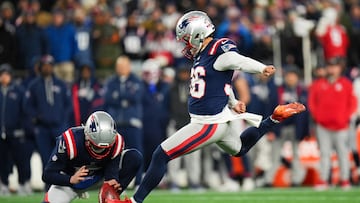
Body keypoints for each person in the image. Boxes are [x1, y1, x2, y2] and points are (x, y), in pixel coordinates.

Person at [116, 11, 305, 203]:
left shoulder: (218, 51)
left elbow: (235, 61)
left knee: (161, 154)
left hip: (207, 123)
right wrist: (232, 102)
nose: (186, 45)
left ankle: (134, 201)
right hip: (221, 118)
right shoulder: (203, 54)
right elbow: (221, 81)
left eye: (187, 40)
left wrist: (260, 68)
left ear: (197, 34)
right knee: (239, 148)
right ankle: (273, 119)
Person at [42, 111, 143, 203]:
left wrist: (112, 180)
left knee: (134, 157)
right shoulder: (70, 141)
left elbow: (112, 171)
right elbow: (47, 175)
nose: (100, 151)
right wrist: (70, 179)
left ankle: (109, 198)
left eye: (105, 148)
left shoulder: (117, 142)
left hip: (99, 177)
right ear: (87, 136)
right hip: (72, 181)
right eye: (96, 147)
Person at [308, 56, 357, 190]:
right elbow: (312, 103)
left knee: (342, 153)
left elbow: (353, 103)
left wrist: (345, 117)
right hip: (323, 126)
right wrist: (318, 117)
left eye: (335, 66)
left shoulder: (346, 83)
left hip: (341, 126)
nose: (332, 69)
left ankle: (345, 180)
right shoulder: (318, 84)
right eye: (330, 66)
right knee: (324, 153)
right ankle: (324, 180)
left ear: (340, 68)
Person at [0, 64, 33, 196]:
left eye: (6, 74)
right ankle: (4, 184)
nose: (4, 77)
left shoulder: (19, 91)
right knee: (3, 161)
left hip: (17, 133)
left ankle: (23, 183)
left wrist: (22, 129)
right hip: (2, 134)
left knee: (21, 160)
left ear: (11, 75)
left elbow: (25, 112)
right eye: (2, 74)